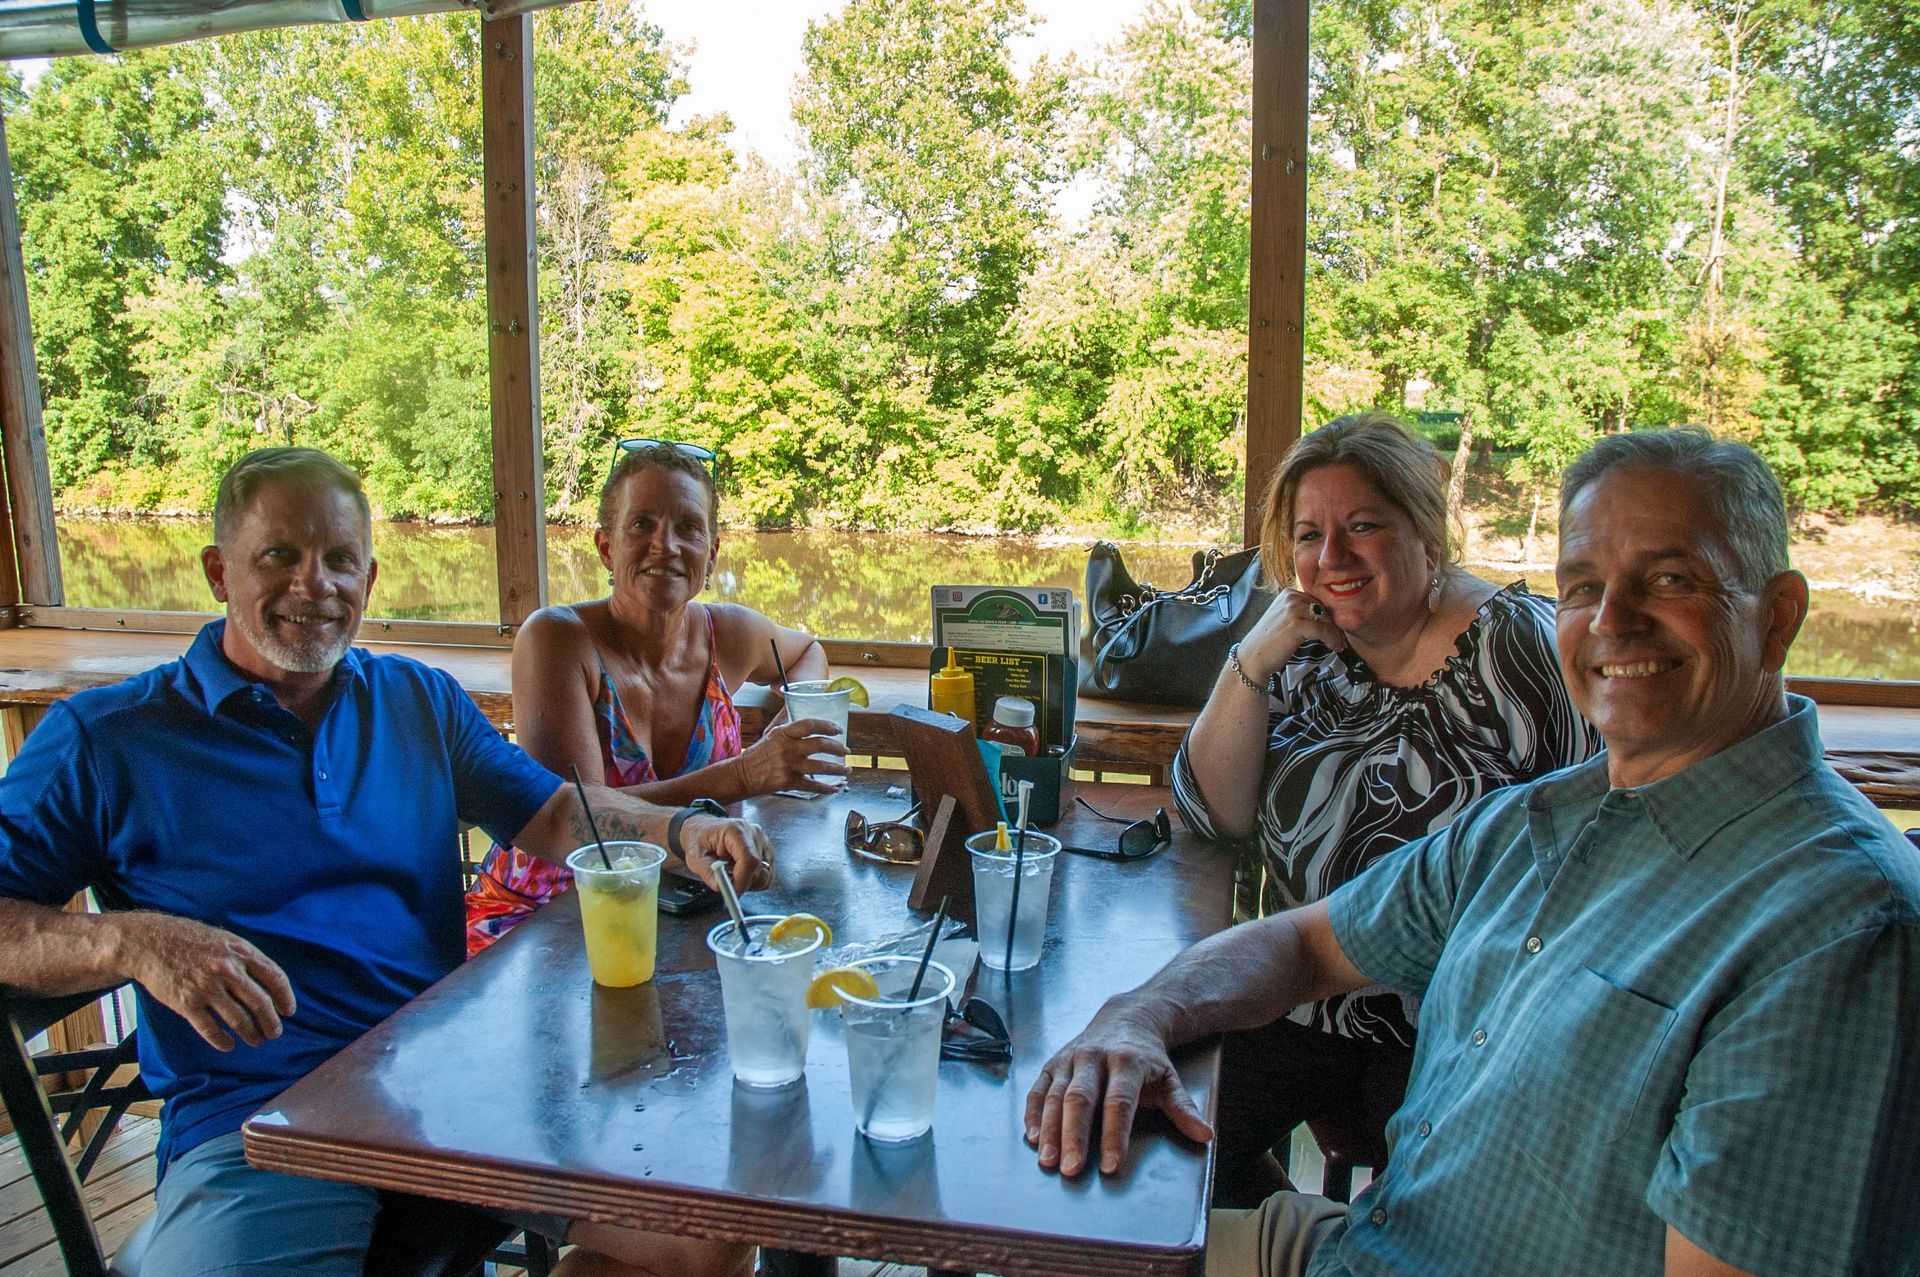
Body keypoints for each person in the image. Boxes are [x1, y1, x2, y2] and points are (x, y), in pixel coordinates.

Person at [1027, 428, 1920, 1277]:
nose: (1613, 620)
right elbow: (1302, 939)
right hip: (1368, 1230)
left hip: (1400, 1157)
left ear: (1779, 617)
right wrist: (1136, 1014)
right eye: (1582, 585)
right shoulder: (1536, 819)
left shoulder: (1833, 925)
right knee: (1063, 1211)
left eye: (1669, 578)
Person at [0, 448, 773, 1277]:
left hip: (448, 1081)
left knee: (707, 1230)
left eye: (340, 560)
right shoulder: (108, 737)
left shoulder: (416, 699)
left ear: (368, 580)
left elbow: (555, 811)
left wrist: (681, 832)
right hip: (263, 1127)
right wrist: (130, 942)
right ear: (219, 571)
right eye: (280, 555)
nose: (314, 585)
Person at [1173, 412, 1596, 1202]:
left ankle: (1335, 1242)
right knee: (1146, 1134)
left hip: (1464, 1018)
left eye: (1363, 526)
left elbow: (1605, 821)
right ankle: (1289, 1237)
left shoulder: (1521, 649)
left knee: (1440, 1214)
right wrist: (1252, 656)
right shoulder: (1307, 651)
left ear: (1426, 534)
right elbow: (1213, 812)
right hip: (1302, 997)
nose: (1331, 556)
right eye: (1309, 535)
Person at [466, 439, 843, 954]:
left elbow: (809, 651)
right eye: (642, 524)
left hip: (691, 906)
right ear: (606, 547)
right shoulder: (557, 640)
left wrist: (790, 732)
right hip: (547, 916)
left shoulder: (729, 635)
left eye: (688, 528)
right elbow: (575, 822)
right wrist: (746, 772)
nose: (665, 546)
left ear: (711, 554)